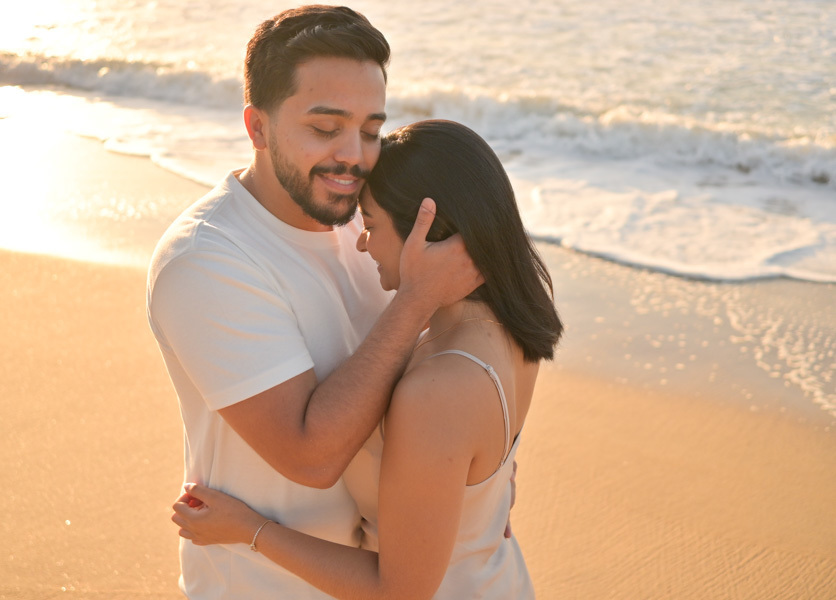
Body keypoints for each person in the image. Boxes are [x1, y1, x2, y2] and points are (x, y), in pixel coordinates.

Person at [146, 6, 482, 599]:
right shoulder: (207, 261)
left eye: (372, 130)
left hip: (384, 574)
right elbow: (310, 457)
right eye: (326, 129)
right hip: (263, 586)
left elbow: (468, 358)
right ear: (258, 127)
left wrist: (484, 486)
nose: (354, 156)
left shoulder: (372, 225)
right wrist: (416, 301)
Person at [172, 119, 565, 599]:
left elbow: (397, 592)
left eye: (372, 225)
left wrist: (248, 529)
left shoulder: (439, 389)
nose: (362, 242)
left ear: (430, 232)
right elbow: (481, 467)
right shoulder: (509, 328)